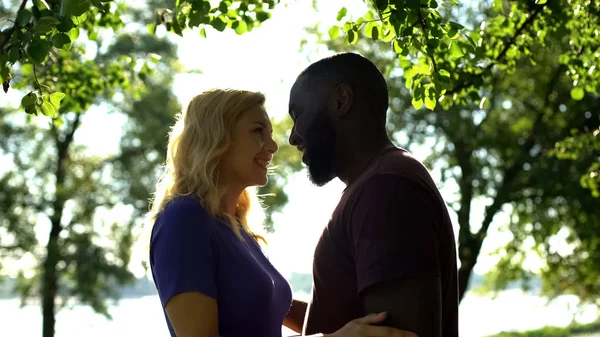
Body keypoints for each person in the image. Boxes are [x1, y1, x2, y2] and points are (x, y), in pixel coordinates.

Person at [148, 88, 418, 337]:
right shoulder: (183, 220)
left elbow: (264, 310)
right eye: (257, 131)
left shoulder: (237, 230)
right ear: (216, 138)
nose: (273, 145)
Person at [283, 53, 459, 337]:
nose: (292, 137)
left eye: (298, 114)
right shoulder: (376, 183)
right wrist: (269, 298)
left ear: (341, 100)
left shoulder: (386, 188)